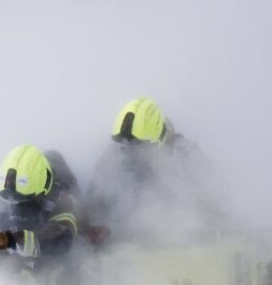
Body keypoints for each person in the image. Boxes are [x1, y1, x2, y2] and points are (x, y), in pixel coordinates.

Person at [84, 97, 223, 243]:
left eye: (140, 147)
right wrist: (97, 227)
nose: (132, 153)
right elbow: (94, 204)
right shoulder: (114, 157)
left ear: (158, 140)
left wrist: (204, 225)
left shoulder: (187, 155)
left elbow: (218, 200)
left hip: (187, 251)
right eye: (127, 147)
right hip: (132, 251)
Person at [0, 144, 80, 261]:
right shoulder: (10, 194)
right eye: (10, 200)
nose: (15, 207)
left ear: (43, 190)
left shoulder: (63, 198)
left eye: (24, 202)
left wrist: (9, 240)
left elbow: (60, 239)